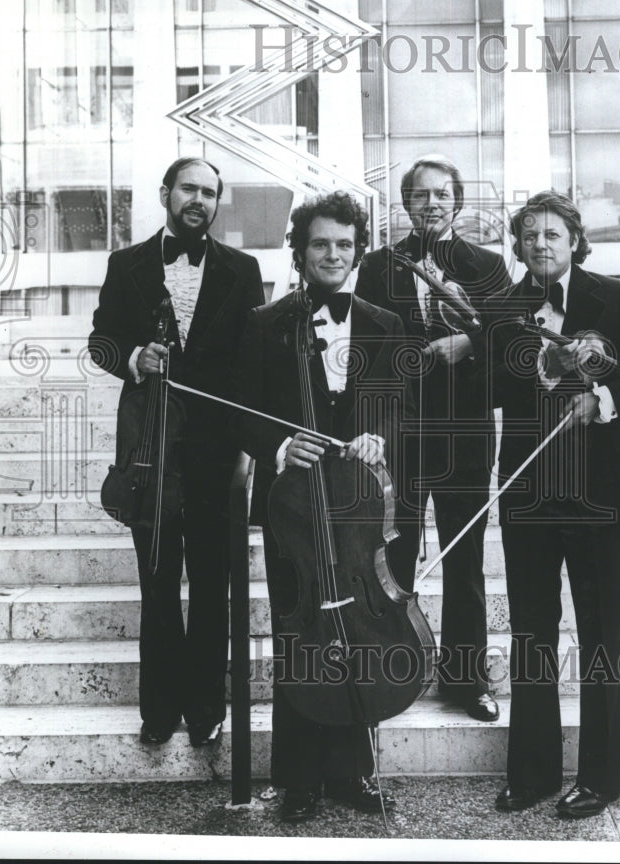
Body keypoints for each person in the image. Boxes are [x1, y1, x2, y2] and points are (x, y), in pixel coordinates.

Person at [483, 191, 620, 818]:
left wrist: (604, 398)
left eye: (552, 233)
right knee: (531, 632)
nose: (540, 244)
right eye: (528, 235)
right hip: (529, 492)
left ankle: (603, 775)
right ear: (518, 246)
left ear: (574, 241)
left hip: (599, 494)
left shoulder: (611, 297)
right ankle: (534, 772)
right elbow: (489, 388)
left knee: (602, 634)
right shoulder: (504, 309)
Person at [230, 191, 408, 822]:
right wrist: (280, 444)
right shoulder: (266, 324)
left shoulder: (386, 325)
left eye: (343, 244)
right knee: (300, 634)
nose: (332, 255)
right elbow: (239, 412)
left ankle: (351, 773)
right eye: (320, 244)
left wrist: (377, 432)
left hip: (363, 510)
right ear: (300, 252)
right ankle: (299, 777)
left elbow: (399, 406)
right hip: (295, 511)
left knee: (360, 631)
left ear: (357, 252)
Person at [88, 157, 264, 748]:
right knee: (158, 579)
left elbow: (252, 359)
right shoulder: (127, 264)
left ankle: (207, 707)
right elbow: (102, 339)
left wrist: (247, 448)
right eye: (189, 188)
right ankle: (159, 708)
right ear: (165, 193)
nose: (199, 200)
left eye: (209, 193)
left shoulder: (244, 269)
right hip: (150, 450)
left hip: (216, 452)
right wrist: (133, 357)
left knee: (214, 582)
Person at [355, 155, 511, 722]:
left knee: (464, 557)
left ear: (459, 202)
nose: (432, 204)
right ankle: (396, 668)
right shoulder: (377, 266)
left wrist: (468, 345)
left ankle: (466, 681)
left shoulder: (490, 265)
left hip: (465, 431)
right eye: (421, 195)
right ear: (406, 203)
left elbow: (512, 346)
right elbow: (366, 355)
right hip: (399, 431)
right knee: (393, 552)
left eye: (443, 195)